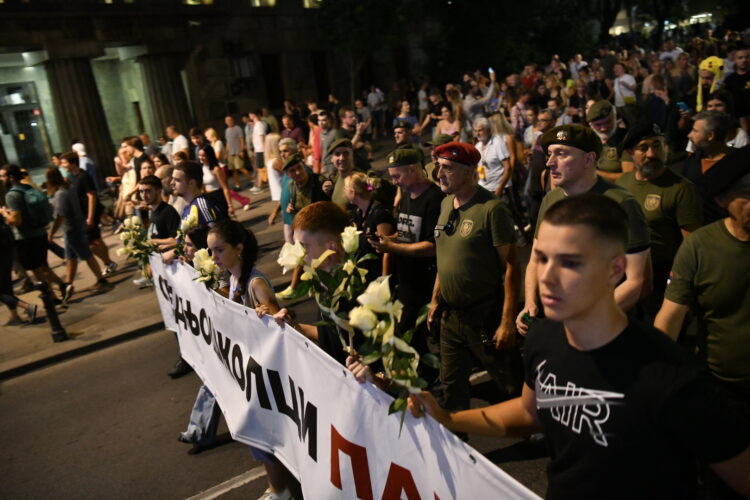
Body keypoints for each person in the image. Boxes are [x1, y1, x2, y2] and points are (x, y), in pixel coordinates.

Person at [410, 193, 750, 499]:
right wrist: (449, 418)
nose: (548, 277)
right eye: (542, 258)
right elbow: (530, 413)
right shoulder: (544, 337)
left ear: (615, 270)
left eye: (570, 262)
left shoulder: (673, 376)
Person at [517, 125, 651, 334]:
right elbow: (535, 258)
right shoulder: (552, 199)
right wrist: (530, 303)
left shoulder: (621, 203)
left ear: (589, 159)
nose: (550, 162)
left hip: (605, 327)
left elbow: (637, 282)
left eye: (561, 154)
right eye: (550, 154)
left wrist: (584, 319)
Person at [656, 148, 750, 419]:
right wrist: (655, 377)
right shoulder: (700, 247)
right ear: (721, 199)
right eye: (746, 192)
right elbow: (670, 316)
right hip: (724, 388)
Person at [428, 141, 521, 413]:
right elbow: (445, 257)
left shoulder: (492, 209)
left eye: (447, 168)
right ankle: (456, 434)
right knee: (452, 388)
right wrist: (435, 300)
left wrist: (507, 321)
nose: (439, 174)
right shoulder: (446, 203)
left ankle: (528, 428)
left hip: (483, 315)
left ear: (469, 171)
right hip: (450, 315)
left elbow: (512, 266)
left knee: (506, 381)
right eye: (438, 167)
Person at [205, 220, 293, 500]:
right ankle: (276, 486)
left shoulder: (256, 284)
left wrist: (269, 316)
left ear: (239, 249)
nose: (213, 257)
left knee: (265, 434)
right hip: (249, 370)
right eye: (211, 251)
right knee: (257, 433)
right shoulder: (231, 278)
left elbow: (283, 326)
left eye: (219, 250)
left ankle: (281, 490)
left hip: (266, 374)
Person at [371, 147, 445, 377]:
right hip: (408, 281)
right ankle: (427, 377)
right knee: (409, 334)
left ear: (413, 170)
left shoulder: (435, 199)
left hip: (427, 282)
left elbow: (433, 246)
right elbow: (407, 234)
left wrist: (393, 247)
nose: (395, 182)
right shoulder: (407, 196)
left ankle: (435, 378)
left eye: (397, 176)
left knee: (426, 334)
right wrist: (389, 239)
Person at [615, 123, 702, 318]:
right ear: (630, 153)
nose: (652, 154)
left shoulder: (681, 189)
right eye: (643, 148)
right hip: (624, 274)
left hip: (662, 280)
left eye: (657, 146)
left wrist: (681, 290)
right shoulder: (623, 182)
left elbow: (692, 246)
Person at [46, 167, 109, 300]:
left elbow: (60, 216)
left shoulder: (61, 194)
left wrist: (51, 233)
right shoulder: (69, 188)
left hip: (71, 229)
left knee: (86, 255)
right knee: (71, 258)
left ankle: (101, 279)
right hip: (76, 226)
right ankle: (68, 285)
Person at [60, 152, 117, 276]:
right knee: (97, 240)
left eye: (64, 162)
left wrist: (90, 217)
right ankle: (109, 263)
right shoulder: (70, 177)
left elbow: (92, 196)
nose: (62, 165)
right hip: (81, 215)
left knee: (90, 243)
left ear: (73, 163)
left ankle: (108, 262)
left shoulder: (83, 176)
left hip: (88, 214)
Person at [345, 172, 396, 278]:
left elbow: (387, 250)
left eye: (345, 188)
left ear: (353, 192)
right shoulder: (358, 212)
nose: (344, 192)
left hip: (379, 272)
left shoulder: (380, 214)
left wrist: (383, 278)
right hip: (366, 271)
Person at [0, 215, 37, 325]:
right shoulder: (3, 224)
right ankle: (14, 316)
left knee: (3, 293)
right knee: (7, 289)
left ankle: (27, 306)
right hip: (6, 258)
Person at [586, 100, 633, 181]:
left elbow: (628, 177)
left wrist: (595, 174)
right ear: (591, 125)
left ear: (615, 118)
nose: (604, 128)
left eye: (608, 122)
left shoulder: (626, 139)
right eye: (598, 125)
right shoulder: (589, 139)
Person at [473, 116, 512, 197]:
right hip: (484, 189)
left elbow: (508, 167)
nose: (477, 134)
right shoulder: (477, 146)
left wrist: (500, 188)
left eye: (480, 130)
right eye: (475, 131)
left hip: (499, 189)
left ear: (488, 130)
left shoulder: (498, 143)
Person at [321, 138, 357, 210]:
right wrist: (329, 192)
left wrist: (367, 188)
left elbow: (373, 189)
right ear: (332, 159)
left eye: (346, 153)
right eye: (337, 154)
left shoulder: (361, 177)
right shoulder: (334, 179)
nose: (342, 158)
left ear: (352, 156)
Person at [224, 115, 254, 191]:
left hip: (237, 151)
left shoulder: (237, 128)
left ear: (233, 120)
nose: (229, 121)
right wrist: (226, 152)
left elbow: (241, 139)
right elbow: (227, 142)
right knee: (233, 170)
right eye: (227, 120)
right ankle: (237, 185)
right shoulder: (226, 130)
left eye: (230, 120)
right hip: (230, 153)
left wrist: (242, 150)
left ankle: (253, 180)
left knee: (240, 167)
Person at [249, 110, 268, 194]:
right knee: (259, 168)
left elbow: (262, 137)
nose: (249, 116)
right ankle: (259, 185)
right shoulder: (256, 125)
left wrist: (264, 150)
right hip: (258, 149)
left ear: (254, 114)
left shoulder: (259, 124)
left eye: (250, 114)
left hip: (261, 149)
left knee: (260, 168)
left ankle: (260, 186)